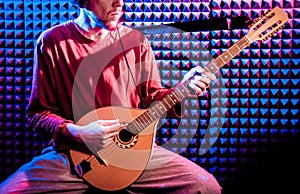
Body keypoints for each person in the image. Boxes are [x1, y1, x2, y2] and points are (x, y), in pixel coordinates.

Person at [0, 0, 222, 193]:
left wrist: (182, 90)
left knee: (205, 186)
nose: (119, 3)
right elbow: (39, 114)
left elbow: (153, 98)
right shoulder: (51, 41)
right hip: (72, 155)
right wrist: (80, 133)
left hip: (133, 153)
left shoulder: (136, 40)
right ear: (83, 1)